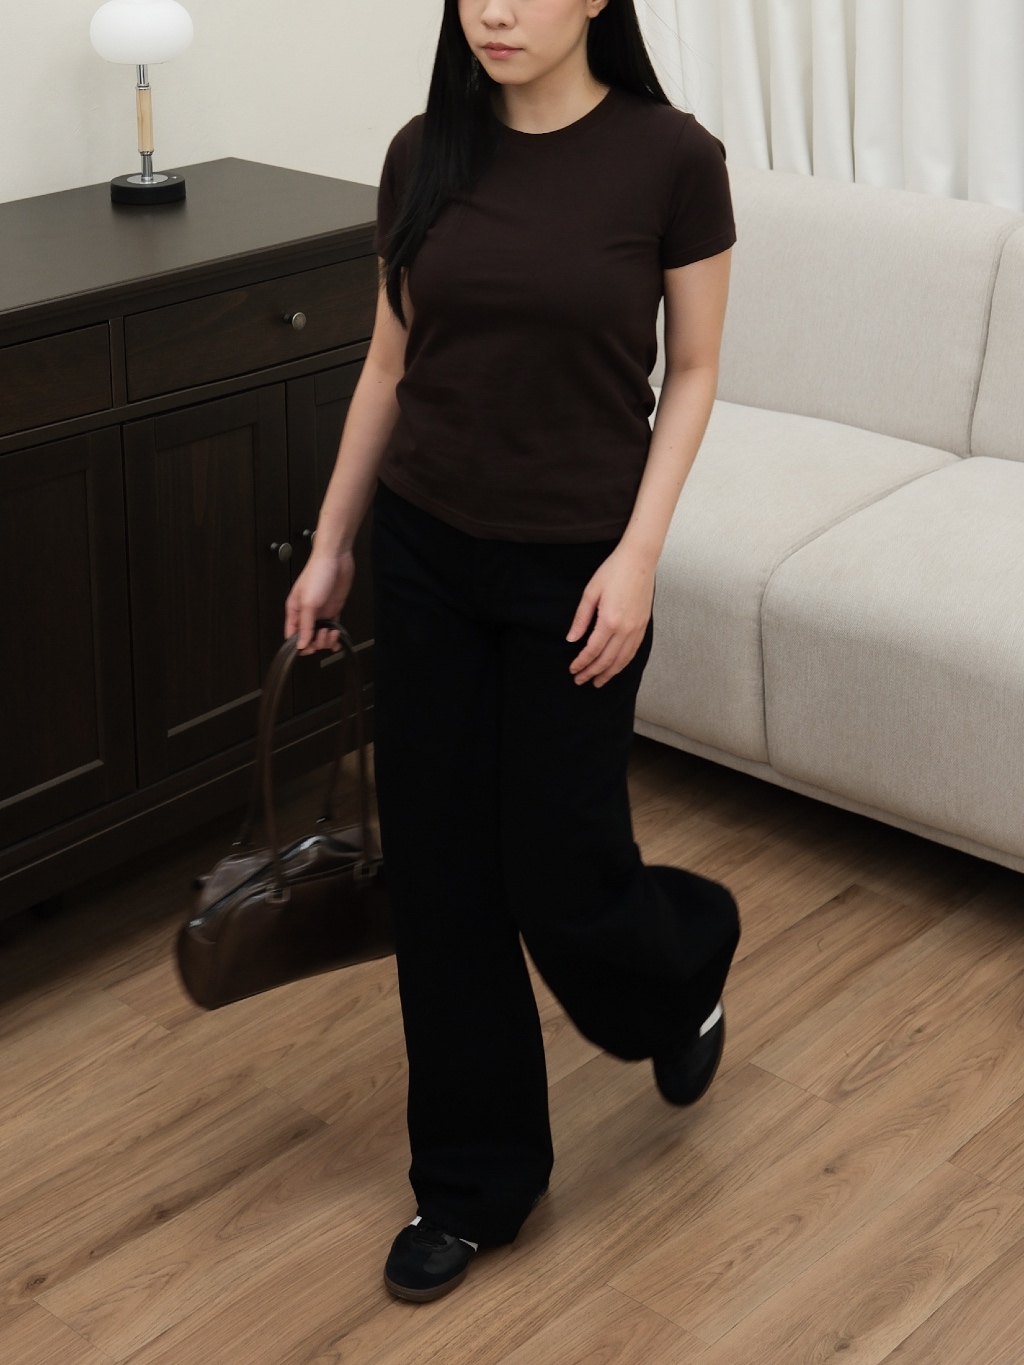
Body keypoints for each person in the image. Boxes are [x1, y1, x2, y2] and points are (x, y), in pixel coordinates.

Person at [283, 0, 741, 1305]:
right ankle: (470, 1185)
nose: (494, 9)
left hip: (577, 570)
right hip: (428, 553)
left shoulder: (672, 157)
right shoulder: (423, 151)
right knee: (441, 876)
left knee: (563, 871)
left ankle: (684, 967)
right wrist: (333, 545)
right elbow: (390, 363)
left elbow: (694, 371)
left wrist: (637, 556)